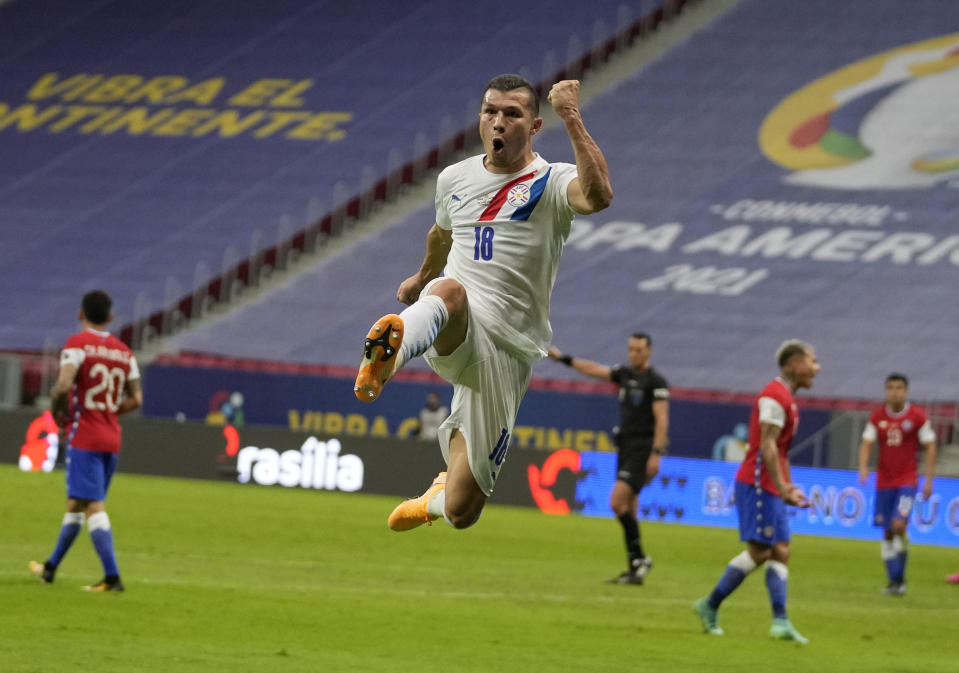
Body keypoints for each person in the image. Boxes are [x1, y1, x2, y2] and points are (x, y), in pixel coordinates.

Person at [353, 73, 612, 531]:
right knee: (449, 291)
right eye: (490, 111)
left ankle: (435, 496)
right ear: (480, 120)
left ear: (534, 127)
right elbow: (442, 234)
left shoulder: (551, 181)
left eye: (512, 114)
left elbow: (599, 196)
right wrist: (422, 276)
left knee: (462, 510)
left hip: (508, 350)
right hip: (457, 322)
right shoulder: (455, 178)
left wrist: (571, 115)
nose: (499, 121)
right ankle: (387, 359)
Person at [693, 340, 819, 643]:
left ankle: (780, 622)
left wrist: (787, 486)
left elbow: (781, 451)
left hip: (772, 485)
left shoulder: (787, 399)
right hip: (758, 483)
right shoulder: (774, 398)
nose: (817, 367)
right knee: (761, 551)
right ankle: (709, 605)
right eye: (812, 361)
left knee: (782, 549)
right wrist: (779, 486)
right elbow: (767, 447)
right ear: (794, 364)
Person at [29, 290, 142, 592]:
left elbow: (63, 385)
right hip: (111, 437)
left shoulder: (77, 344)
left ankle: (112, 577)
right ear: (110, 317)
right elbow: (137, 398)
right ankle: (49, 568)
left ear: (81, 314)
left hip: (86, 437)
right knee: (76, 503)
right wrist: (109, 412)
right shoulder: (124, 353)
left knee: (92, 505)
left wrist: (58, 415)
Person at [547, 333, 668, 584]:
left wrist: (656, 454)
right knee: (630, 508)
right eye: (631, 349)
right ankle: (636, 565)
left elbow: (662, 419)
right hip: (625, 447)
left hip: (642, 449)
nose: (633, 353)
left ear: (649, 352)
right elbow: (594, 370)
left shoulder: (655, 381)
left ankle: (640, 560)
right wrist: (563, 359)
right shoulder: (625, 374)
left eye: (638, 349)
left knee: (616, 502)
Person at [857, 373, 937, 596]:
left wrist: (929, 479)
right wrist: (863, 466)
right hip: (884, 481)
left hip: (907, 481)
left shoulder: (917, 416)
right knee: (887, 532)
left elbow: (930, 446)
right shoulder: (878, 417)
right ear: (886, 391)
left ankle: (900, 578)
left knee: (898, 525)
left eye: (899, 388)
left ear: (906, 391)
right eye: (891, 387)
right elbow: (866, 443)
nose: (895, 392)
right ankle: (895, 582)